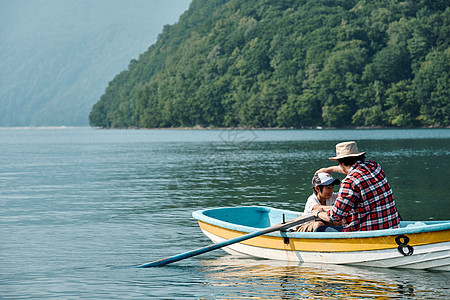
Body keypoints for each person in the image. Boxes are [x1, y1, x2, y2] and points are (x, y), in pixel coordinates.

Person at [312, 141, 400, 232]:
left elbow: (334, 216)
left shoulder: (349, 182)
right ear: (358, 157)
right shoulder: (374, 166)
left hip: (366, 232)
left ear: (340, 162)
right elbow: (353, 169)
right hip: (392, 226)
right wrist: (330, 169)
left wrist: (317, 212)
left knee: (320, 229)